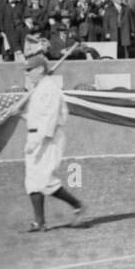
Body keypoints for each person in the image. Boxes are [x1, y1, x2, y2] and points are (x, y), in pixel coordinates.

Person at [15, 53, 85, 232]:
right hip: (34, 136)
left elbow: (50, 120)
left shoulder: (50, 89)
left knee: (45, 179)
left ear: (40, 69)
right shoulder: (38, 89)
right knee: (32, 181)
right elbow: (36, 118)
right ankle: (39, 222)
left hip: (49, 138)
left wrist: (37, 141)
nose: (27, 73)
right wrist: (20, 113)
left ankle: (78, 205)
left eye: (29, 70)